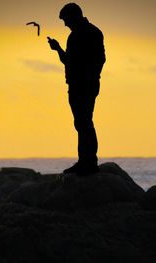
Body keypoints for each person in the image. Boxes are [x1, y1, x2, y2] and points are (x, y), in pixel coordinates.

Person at [48, 3, 106, 175]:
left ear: (74, 17)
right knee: (81, 123)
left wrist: (88, 77)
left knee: (85, 122)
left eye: (66, 20)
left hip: (84, 86)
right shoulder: (75, 36)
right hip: (76, 85)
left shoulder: (91, 33)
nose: (65, 24)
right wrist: (58, 49)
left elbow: (100, 60)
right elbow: (69, 61)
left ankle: (89, 162)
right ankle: (85, 161)